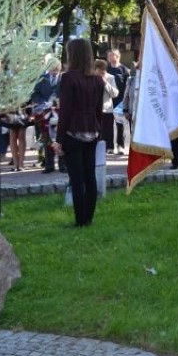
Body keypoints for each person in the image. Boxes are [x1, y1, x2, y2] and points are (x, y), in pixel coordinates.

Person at [53, 38, 105, 227]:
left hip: (73, 132)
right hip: (92, 131)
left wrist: (58, 139)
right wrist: (98, 129)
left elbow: (65, 111)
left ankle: (80, 221)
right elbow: (99, 110)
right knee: (90, 176)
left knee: (77, 178)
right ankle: (88, 219)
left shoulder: (68, 78)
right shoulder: (98, 79)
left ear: (72, 55)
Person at [30, 58, 62, 173]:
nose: (55, 72)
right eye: (53, 70)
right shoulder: (42, 78)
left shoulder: (63, 78)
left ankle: (62, 164)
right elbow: (34, 94)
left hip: (59, 113)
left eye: (57, 70)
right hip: (44, 113)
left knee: (60, 138)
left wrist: (58, 102)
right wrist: (43, 102)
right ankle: (49, 165)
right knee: (46, 138)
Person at [106, 49, 130, 154]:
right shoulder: (106, 69)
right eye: (109, 56)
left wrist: (125, 101)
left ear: (117, 56)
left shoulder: (124, 69)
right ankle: (109, 146)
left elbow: (127, 85)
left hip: (120, 101)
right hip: (108, 101)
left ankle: (120, 145)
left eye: (113, 55)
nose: (111, 57)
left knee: (120, 124)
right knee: (108, 124)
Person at [94, 59, 119, 158]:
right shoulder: (91, 78)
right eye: (99, 71)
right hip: (95, 109)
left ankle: (110, 147)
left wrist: (105, 83)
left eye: (103, 71)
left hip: (106, 108)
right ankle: (97, 148)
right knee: (97, 130)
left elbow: (115, 93)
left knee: (108, 129)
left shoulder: (110, 78)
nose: (101, 73)